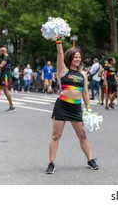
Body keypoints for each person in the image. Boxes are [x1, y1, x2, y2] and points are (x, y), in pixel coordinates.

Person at [46, 39, 98, 174]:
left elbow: (85, 93)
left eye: (79, 57)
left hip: (76, 108)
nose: (78, 59)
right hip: (62, 106)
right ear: (70, 58)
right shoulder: (63, 70)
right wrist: (58, 40)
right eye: (75, 57)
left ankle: (90, 159)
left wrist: (89, 110)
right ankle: (51, 163)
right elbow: (59, 53)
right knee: (56, 136)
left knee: (82, 136)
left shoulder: (83, 74)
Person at [0, 47, 15, 111]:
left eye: (0, 51)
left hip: (5, 75)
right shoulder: (6, 57)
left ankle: (12, 106)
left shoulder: (6, 57)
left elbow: (1, 66)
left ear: (3, 51)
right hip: (4, 75)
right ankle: (11, 106)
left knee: (5, 90)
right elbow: (0, 67)